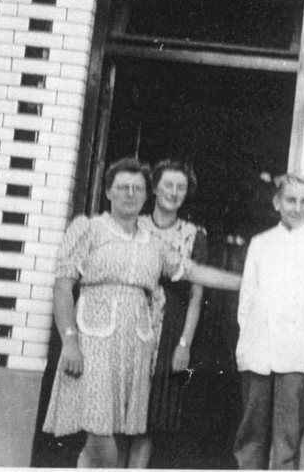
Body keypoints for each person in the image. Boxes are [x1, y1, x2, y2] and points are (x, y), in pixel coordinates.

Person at [42, 157, 242, 468]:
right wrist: (69, 341)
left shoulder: (152, 243)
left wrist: (248, 281)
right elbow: (62, 286)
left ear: (146, 195)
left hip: (135, 347)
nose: (130, 194)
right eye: (122, 187)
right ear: (108, 191)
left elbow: (194, 272)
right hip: (93, 344)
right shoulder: (89, 229)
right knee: (99, 433)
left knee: (111, 435)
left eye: (137, 189)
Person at [233, 173, 304, 470]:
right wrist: (248, 347)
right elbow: (246, 303)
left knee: (287, 443)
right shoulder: (260, 244)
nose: (297, 207)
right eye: (291, 200)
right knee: (250, 438)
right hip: (258, 356)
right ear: (277, 203)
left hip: (298, 360)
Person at [129, 159, 208, 468]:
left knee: (149, 419)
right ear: (154, 188)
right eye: (168, 185)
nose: (174, 193)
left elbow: (196, 296)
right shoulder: (133, 225)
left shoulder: (194, 235)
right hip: (129, 326)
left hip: (168, 332)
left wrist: (184, 344)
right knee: (119, 413)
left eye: (181, 187)